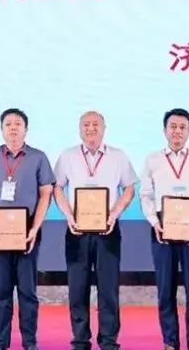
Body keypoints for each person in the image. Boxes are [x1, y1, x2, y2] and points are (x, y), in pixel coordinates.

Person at [52, 111, 136, 350]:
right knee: (77, 288)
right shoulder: (67, 156)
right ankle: (80, 340)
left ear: (104, 128)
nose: (91, 128)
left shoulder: (118, 156)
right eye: (86, 124)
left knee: (108, 288)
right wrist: (69, 216)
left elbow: (129, 189)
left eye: (95, 124)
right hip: (77, 232)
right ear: (80, 129)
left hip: (107, 231)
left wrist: (114, 213)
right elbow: (57, 188)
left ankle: (108, 340)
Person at [0, 108, 55, 350]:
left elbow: (46, 194)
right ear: (2, 129)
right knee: (1, 292)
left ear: (25, 129)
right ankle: (1, 342)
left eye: (18, 124)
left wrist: (35, 228)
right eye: (8, 124)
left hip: (27, 233)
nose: (13, 128)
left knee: (28, 292)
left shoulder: (38, 157)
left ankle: (30, 342)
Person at [138, 108, 189, 350]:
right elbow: (146, 195)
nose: (177, 131)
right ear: (165, 130)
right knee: (165, 289)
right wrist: (154, 222)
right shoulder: (152, 160)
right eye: (173, 126)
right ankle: (170, 341)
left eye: (182, 127)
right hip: (162, 229)